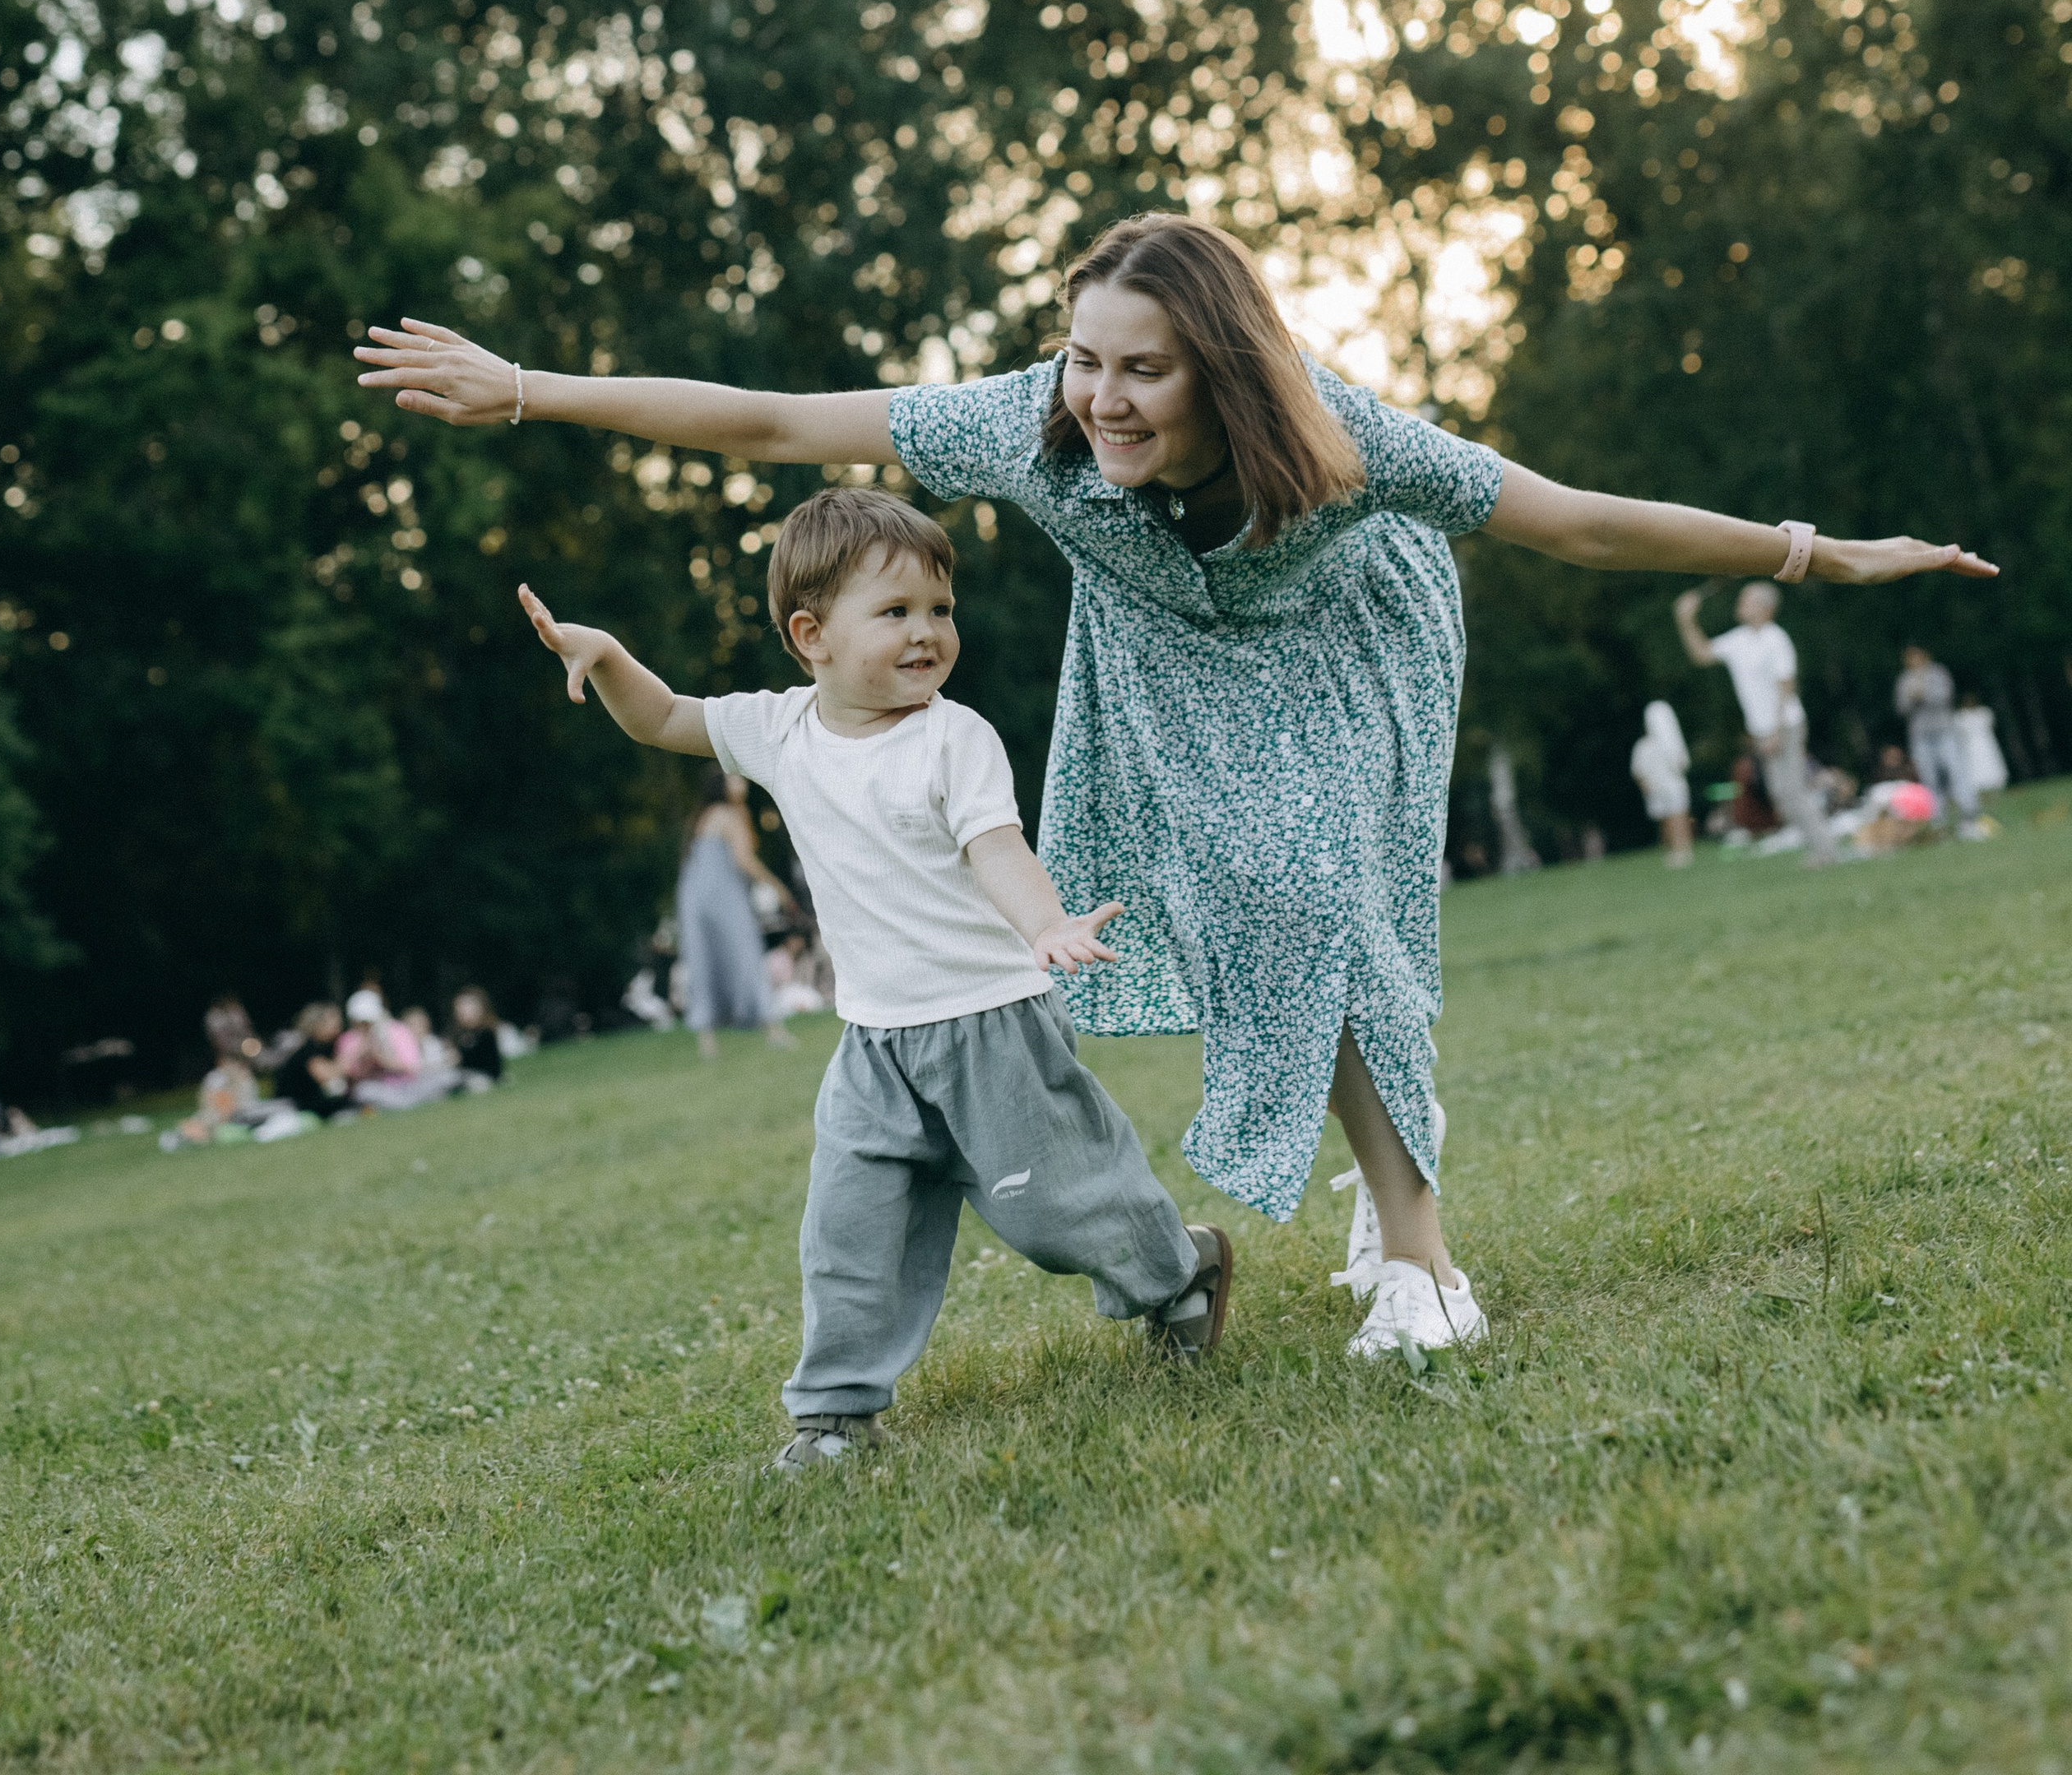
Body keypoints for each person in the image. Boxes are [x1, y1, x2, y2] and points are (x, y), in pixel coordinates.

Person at [358, 214, 1994, 1366]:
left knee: (1310, 894)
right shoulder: (1023, 424)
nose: (1099, 398)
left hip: (1350, 636)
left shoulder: (1336, 434)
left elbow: (1566, 518)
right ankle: (1389, 1182)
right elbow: (781, 418)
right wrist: (535, 390)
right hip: (1158, 657)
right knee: (1265, 909)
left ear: (1220, 367)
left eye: (1139, 370)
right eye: (1082, 360)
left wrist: (1807, 550)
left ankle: (1416, 1259)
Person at [518, 484, 1234, 1466]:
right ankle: (835, 1417)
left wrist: (1046, 924)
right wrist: (605, 659)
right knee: (848, 1232)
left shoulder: (953, 737)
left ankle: (1176, 1269)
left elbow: (997, 850)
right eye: (894, 612)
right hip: (872, 1045)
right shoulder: (779, 731)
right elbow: (665, 719)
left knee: (1057, 1210)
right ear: (811, 635)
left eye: (940, 610)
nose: (927, 633)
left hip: (991, 1027)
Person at [1673, 582, 1839, 864]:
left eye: (1746, 600)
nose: (1740, 604)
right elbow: (1702, 655)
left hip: (1786, 725)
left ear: (1765, 609)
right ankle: (1819, 848)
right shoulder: (1738, 640)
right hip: (1764, 731)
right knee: (1780, 793)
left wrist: (1775, 731)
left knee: (1793, 790)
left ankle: (1826, 852)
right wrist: (1686, 621)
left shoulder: (1776, 639)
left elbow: (1785, 687)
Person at [678, 768, 798, 1059]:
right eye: (736, 778)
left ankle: (708, 1044)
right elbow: (745, 859)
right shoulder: (730, 814)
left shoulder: (703, 816)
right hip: (723, 893)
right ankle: (773, 1031)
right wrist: (779, 888)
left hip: (693, 894)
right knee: (746, 954)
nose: (742, 782)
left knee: (703, 959)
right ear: (723, 785)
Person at [1894, 646, 1972, 827]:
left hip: (1944, 730)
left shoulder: (1938, 673)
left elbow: (1946, 696)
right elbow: (1900, 707)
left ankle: (1969, 812)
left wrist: (1924, 695)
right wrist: (1912, 698)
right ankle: (1938, 820)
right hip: (1920, 736)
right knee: (1929, 778)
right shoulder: (1905, 680)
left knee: (1956, 771)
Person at [1629, 697, 1694, 866]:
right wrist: (1646, 787)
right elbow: (1638, 771)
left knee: (1679, 817)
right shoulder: (1643, 746)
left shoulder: (1669, 743)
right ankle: (1672, 851)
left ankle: (1684, 850)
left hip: (1673, 786)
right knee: (1666, 821)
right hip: (1657, 789)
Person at [270, 1002, 350, 1118]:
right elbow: (326, 1075)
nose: (338, 1024)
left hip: (306, 1103)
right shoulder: (307, 1049)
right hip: (290, 1105)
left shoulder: (327, 1047)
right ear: (317, 1024)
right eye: (332, 1020)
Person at [1952, 688, 2008, 836]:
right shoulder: (1959, 717)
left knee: (1990, 765)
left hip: (1986, 744)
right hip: (1969, 748)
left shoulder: (1985, 712)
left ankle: (1993, 790)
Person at [450, 985, 507, 1082]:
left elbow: (490, 1063)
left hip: (483, 1076)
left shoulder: (486, 1033)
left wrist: (461, 1058)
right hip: (466, 1074)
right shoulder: (460, 1034)